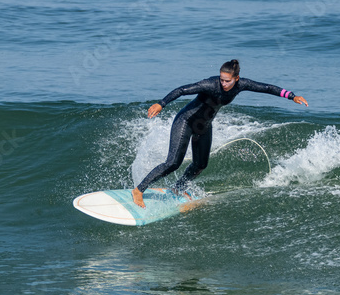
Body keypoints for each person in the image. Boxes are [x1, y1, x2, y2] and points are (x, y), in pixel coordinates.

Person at [132, 60, 308, 208]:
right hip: (186, 121)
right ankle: (139, 190)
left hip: (205, 126)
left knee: (200, 164)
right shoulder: (209, 84)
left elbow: (266, 88)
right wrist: (161, 104)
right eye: (222, 80)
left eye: (227, 81)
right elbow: (182, 90)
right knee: (173, 163)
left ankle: (178, 188)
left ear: (236, 79)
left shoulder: (241, 85)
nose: (223, 84)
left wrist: (292, 96)